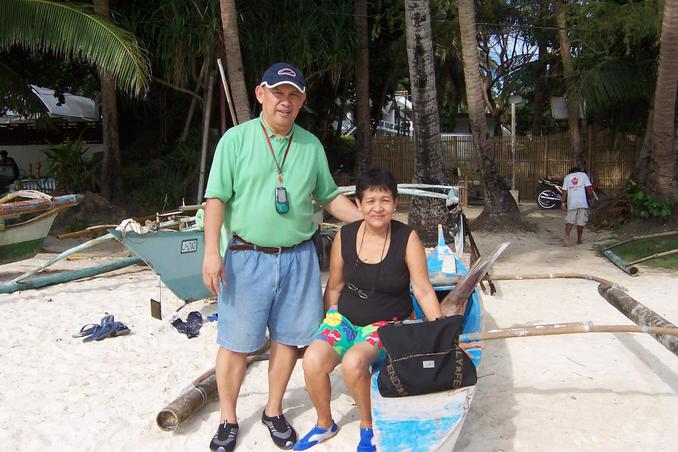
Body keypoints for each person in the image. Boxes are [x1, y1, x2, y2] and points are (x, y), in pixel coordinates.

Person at [201, 62, 361, 452]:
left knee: (287, 340)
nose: (285, 101)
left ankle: (273, 411)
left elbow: (329, 196)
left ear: (302, 99)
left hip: (299, 259)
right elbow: (216, 198)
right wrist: (210, 252)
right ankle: (228, 418)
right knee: (236, 344)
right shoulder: (235, 141)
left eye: (293, 94)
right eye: (278, 92)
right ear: (261, 94)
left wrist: (372, 224)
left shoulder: (310, 145)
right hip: (245, 256)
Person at [293, 167, 445, 452]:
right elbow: (335, 286)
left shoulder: (407, 237)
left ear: (395, 202)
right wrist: (330, 321)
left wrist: (441, 329)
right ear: (359, 204)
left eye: (385, 200)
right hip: (347, 319)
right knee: (312, 360)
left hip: (388, 323)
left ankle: (368, 426)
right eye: (370, 201)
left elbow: (423, 290)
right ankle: (325, 423)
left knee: (353, 363)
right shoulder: (345, 235)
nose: (378, 208)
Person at [561, 166, 593, 246]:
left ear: (570, 172)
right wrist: (591, 198)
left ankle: (567, 236)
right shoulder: (583, 175)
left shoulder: (567, 177)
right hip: (582, 202)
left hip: (572, 202)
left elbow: (564, 191)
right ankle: (579, 239)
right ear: (579, 171)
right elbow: (589, 188)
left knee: (569, 220)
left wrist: (563, 203)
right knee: (581, 221)